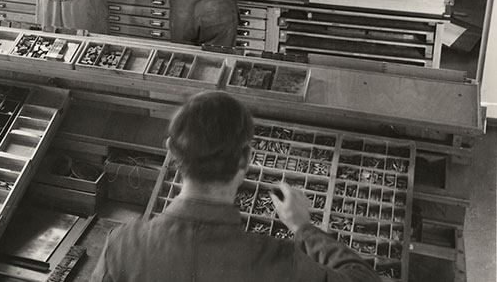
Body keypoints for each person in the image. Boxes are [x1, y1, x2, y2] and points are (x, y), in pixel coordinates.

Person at [90, 92, 383, 282]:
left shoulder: (120, 246)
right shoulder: (278, 261)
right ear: (246, 159)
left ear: (172, 152)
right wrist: (302, 228)